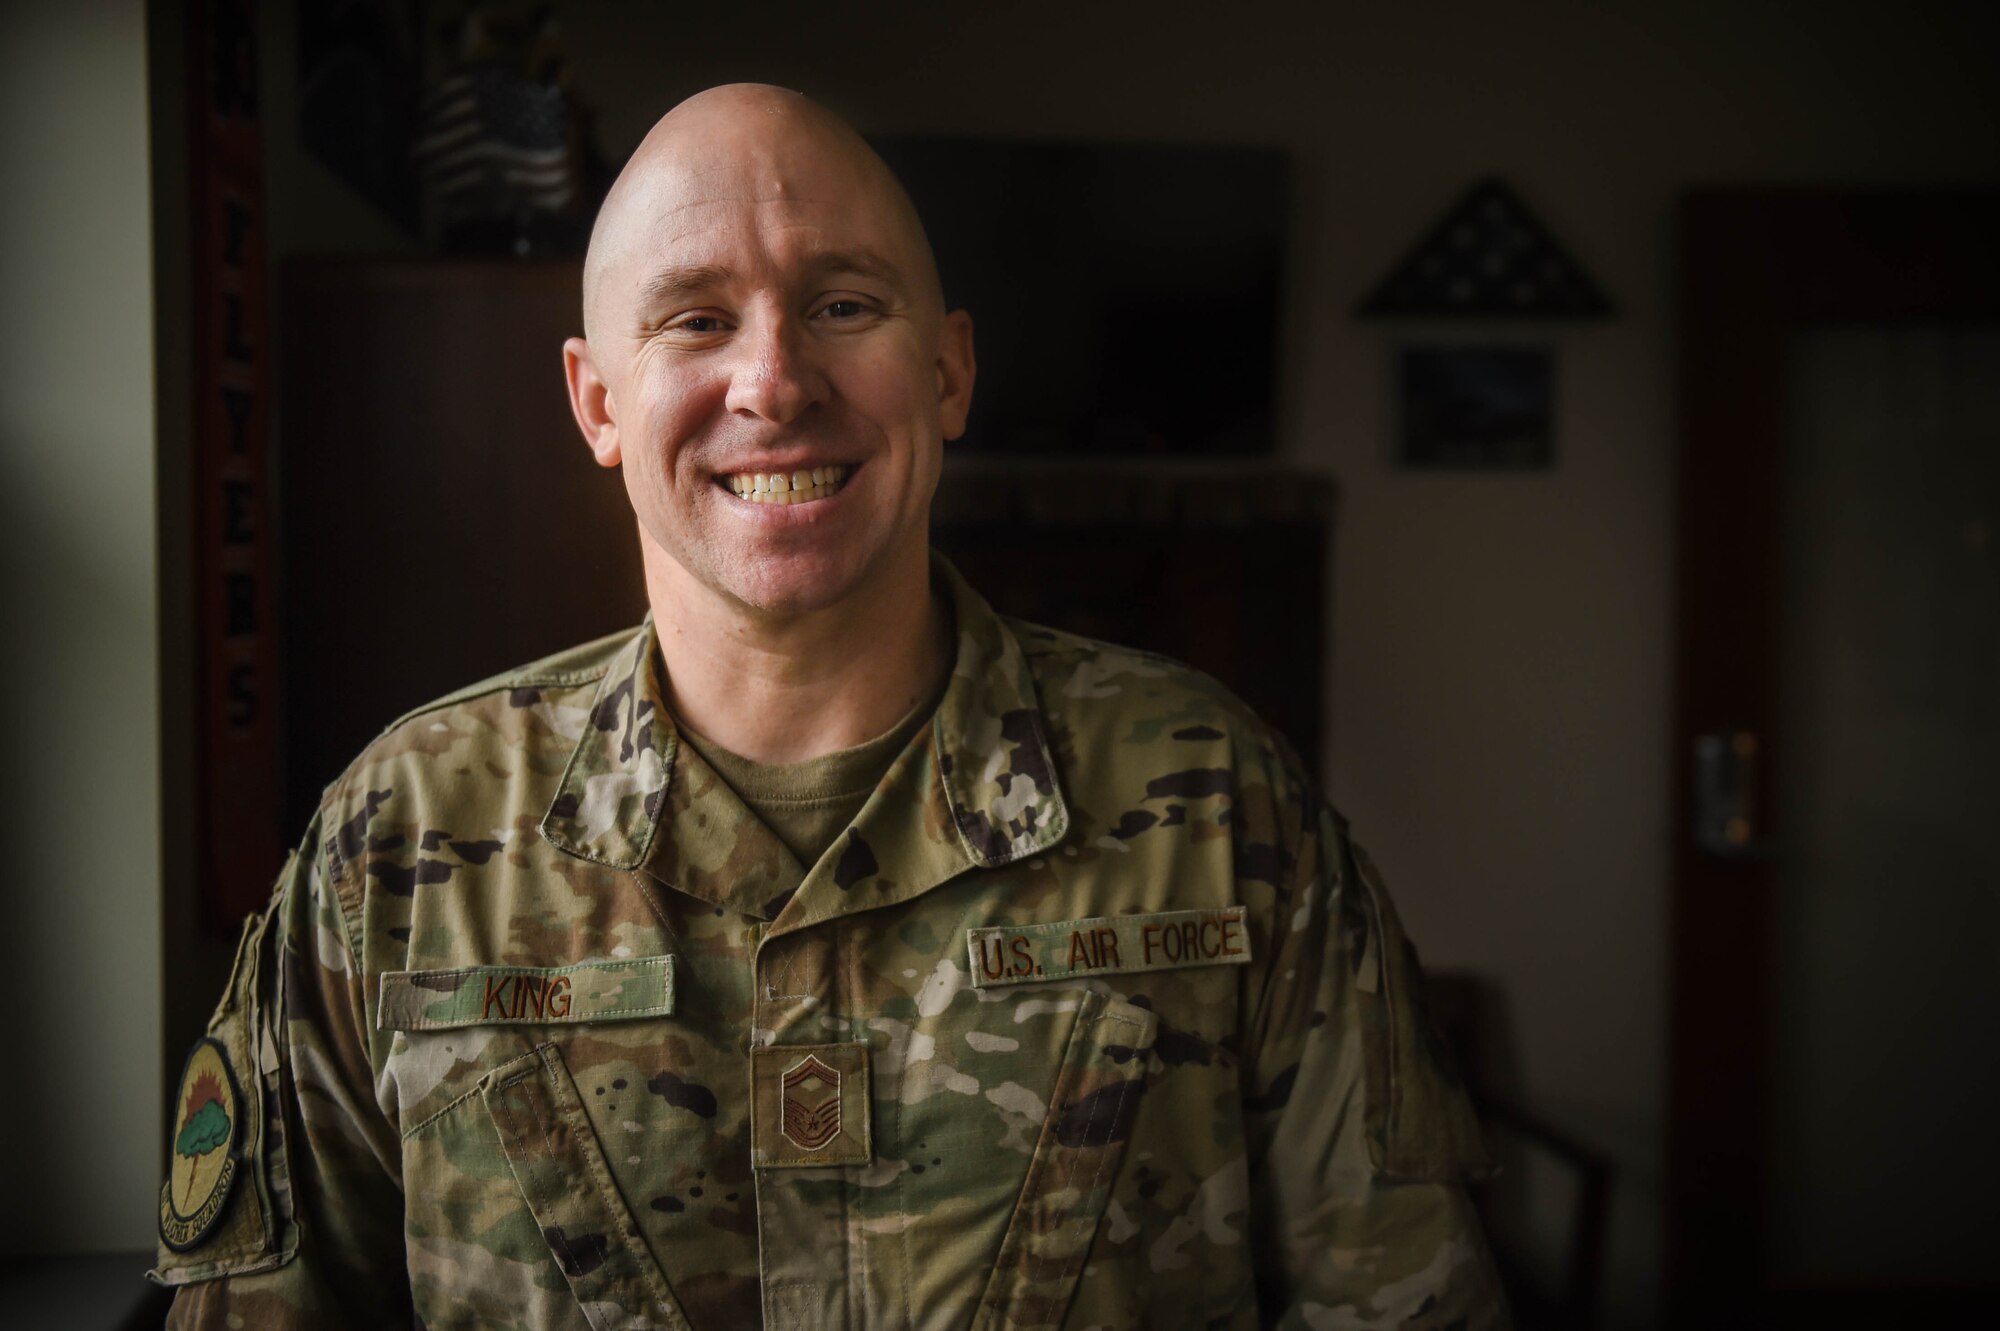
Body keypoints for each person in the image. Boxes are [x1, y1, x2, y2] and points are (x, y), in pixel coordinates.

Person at [151, 84, 1508, 1329]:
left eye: (845, 305)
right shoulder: (398, 842)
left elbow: (1403, 1299)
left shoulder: (1219, 807)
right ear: (596, 401)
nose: (775, 380)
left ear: (951, 371)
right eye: (695, 318)